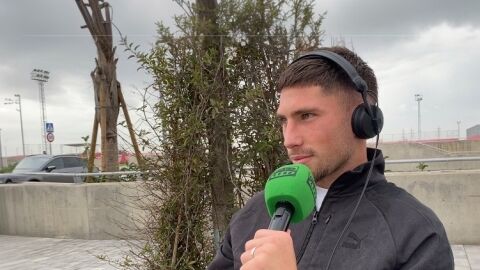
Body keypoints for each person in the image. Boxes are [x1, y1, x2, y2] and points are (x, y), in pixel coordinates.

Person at [208, 46, 454, 269]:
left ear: (362, 121)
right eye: (284, 121)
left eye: (306, 116)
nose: (289, 139)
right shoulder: (255, 213)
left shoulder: (415, 233)